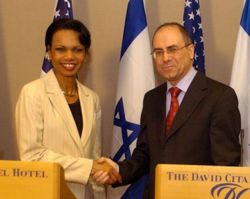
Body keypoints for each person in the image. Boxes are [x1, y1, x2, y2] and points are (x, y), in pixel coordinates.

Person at [93, 22, 241, 198]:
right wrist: (117, 169)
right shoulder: (152, 99)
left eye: (172, 49)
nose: (165, 58)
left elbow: (225, 168)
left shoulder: (220, 97)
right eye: (158, 52)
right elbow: (144, 155)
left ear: (191, 51)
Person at [15, 18, 118, 199]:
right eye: (60, 49)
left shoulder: (92, 98)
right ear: (49, 52)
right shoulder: (32, 93)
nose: (69, 57)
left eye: (77, 50)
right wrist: (89, 167)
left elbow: (94, 155)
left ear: (86, 55)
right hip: (47, 193)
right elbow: (32, 156)